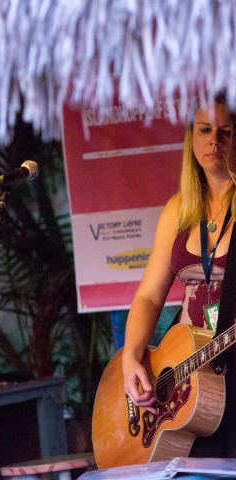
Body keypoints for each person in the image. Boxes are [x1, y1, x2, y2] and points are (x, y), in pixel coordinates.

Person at [122, 95, 236, 457]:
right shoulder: (178, 209)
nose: (213, 142)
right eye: (204, 130)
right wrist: (131, 357)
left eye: (225, 132)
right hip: (187, 383)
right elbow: (149, 297)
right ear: (191, 137)